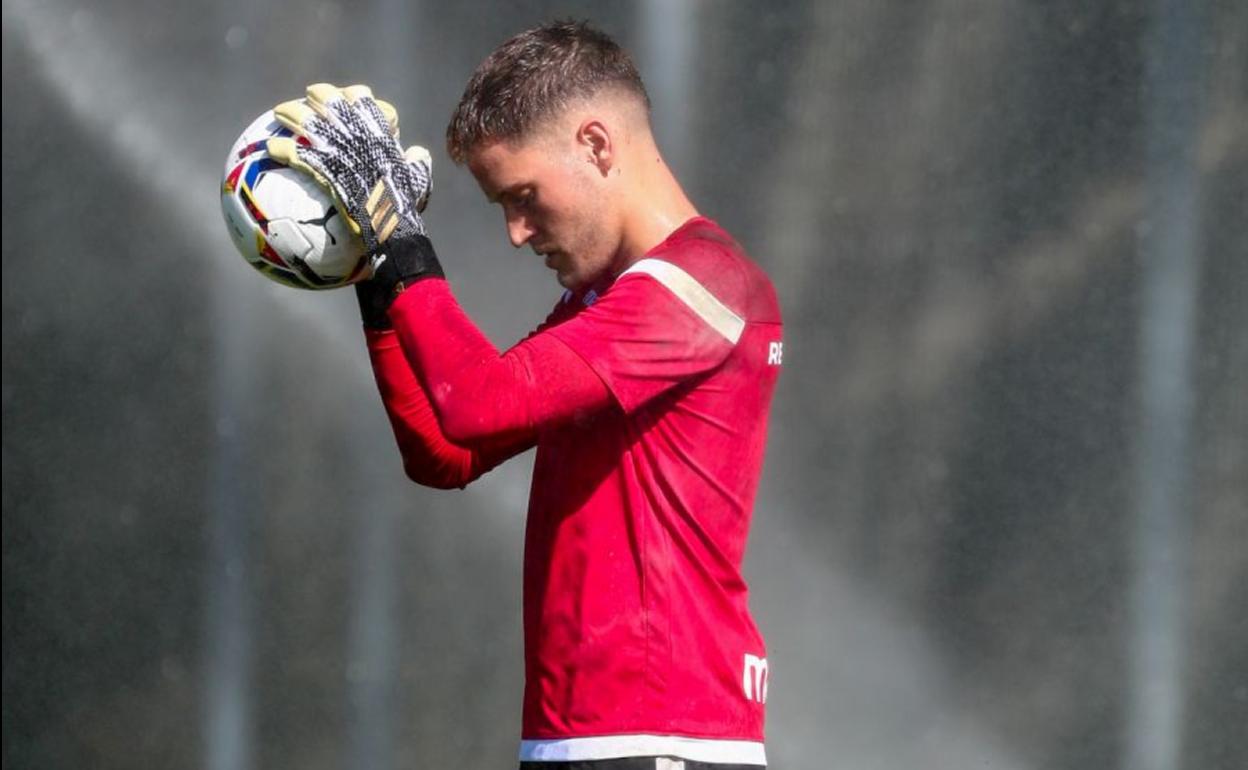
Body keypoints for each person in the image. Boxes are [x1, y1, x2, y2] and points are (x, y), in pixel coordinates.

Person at [269, 20, 783, 770]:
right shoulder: (620, 298)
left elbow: (477, 401)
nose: (516, 232)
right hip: (598, 739)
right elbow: (447, 449)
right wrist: (378, 279)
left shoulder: (701, 284)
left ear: (597, 145)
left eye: (523, 196)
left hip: (661, 739)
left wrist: (403, 247)